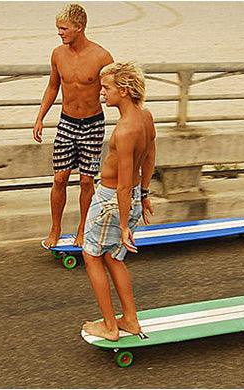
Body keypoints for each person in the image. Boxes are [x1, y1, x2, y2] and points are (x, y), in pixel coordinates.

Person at [81, 62, 156, 341]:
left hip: (112, 199)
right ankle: (130, 320)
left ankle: (110, 327)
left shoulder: (125, 130)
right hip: (132, 196)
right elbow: (149, 158)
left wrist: (124, 225)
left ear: (123, 90)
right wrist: (144, 195)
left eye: (107, 87)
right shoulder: (146, 117)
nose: (102, 93)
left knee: (91, 255)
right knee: (114, 257)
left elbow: (123, 183)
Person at [33, 3, 114, 248]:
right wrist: (40, 117)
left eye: (64, 28)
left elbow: (116, 88)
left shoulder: (102, 56)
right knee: (59, 178)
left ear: (79, 27)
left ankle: (82, 230)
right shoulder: (58, 54)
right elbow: (52, 86)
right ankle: (55, 229)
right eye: (58, 28)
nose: (60, 32)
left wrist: (128, 119)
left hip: (93, 124)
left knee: (87, 181)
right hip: (66, 122)